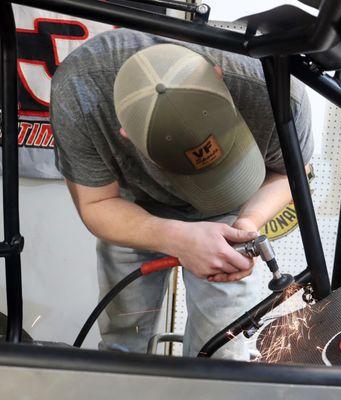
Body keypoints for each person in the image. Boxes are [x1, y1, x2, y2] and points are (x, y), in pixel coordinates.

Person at [50, 28, 313, 359]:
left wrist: (248, 222)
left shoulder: (274, 93)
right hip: (133, 209)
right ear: (125, 133)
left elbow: (293, 172)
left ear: (219, 78)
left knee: (223, 352)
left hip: (228, 214)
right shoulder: (80, 93)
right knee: (122, 348)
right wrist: (175, 237)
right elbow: (97, 202)